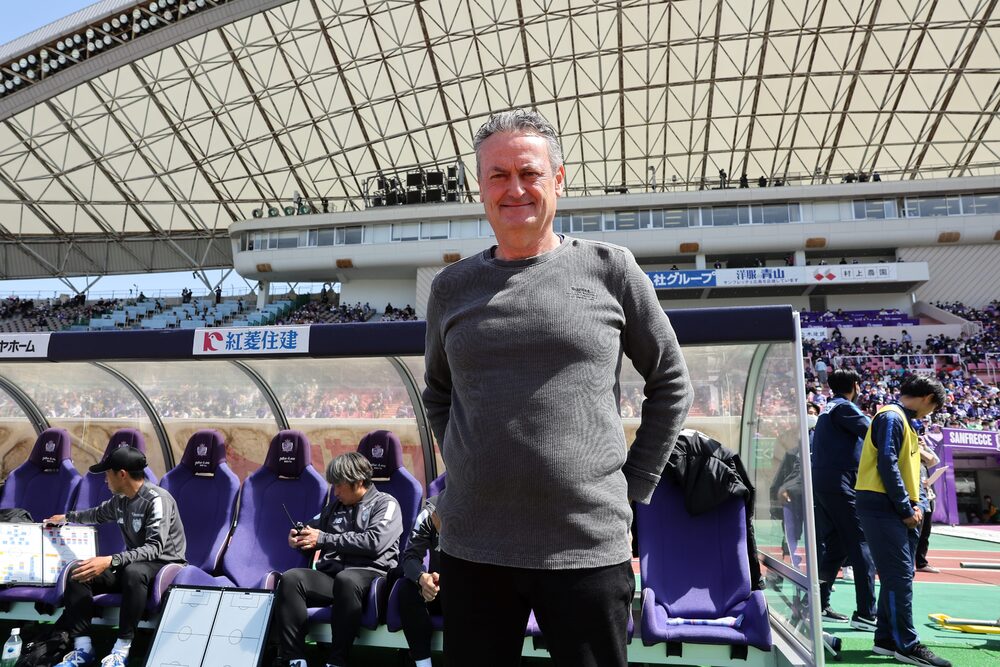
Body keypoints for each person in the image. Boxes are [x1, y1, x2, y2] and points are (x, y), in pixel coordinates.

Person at [423, 109, 693, 667]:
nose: (515, 189)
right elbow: (439, 393)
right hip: (473, 547)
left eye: (530, 173)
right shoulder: (451, 287)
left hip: (585, 547)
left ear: (559, 180)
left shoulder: (610, 269)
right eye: (499, 175)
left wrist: (634, 484)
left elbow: (670, 382)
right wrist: (468, 467)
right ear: (480, 188)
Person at [46, 447, 186, 667]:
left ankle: (121, 651)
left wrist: (110, 560)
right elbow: (96, 514)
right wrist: (65, 518)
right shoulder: (121, 499)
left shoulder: (158, 499)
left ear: (122, 474)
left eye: (107, 473)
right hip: (133, 566)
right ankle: (83, 649)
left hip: (165, 567)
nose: (104, 479)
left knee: (133, 571)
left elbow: (155, 548)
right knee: (79, 572)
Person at [273, 452, 402, 667]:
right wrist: (300, 539)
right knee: (291, 578)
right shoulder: (333, 508)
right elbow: (311, 532)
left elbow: (375, 542)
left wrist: (323, 539)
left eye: (339, 485)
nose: (335, 491)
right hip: (335, 577)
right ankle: (294, 659)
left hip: (372, 577)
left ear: (358, 482)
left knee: (347, 579)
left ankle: (336, 661)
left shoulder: (386, 504)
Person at [856, 375, 950, 666]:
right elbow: (887, 463)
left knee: (899, 575)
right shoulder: (892, 417)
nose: (930, 413)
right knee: (899, 577)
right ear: (927, 398)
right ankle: (906, 645)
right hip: (884, 506)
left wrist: (913, 503)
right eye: (933, 407)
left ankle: (886, 639)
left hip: (895, 506)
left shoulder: (904, 421)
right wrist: (906, 506)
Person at [810, 370, 877, 629]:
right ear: (855, 385)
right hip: (840, 483)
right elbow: (873, 431)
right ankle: (866, 613)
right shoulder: (845, 407)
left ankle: (819, 603)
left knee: (836, 547)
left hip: (824, 483)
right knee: (861, 543)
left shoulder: (828, 408)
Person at [398, 496, 443, 667]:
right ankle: (423, 664)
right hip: (440, 587)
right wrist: (422, 578)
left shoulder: (481, 508)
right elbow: (410, 557)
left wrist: (445, 534)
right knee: (407, 588)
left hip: (471, 588)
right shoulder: (431, 510)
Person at [915, 439, 941, 573]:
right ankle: (908, 563)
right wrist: (919, 448)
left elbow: (935, 460)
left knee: (925, 533)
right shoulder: (911, 456)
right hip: (918, 499)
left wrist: (925, 446)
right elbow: (931, 459)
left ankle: (921, 562)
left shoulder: (923, 462)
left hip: (928, 497)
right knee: (915, 533)